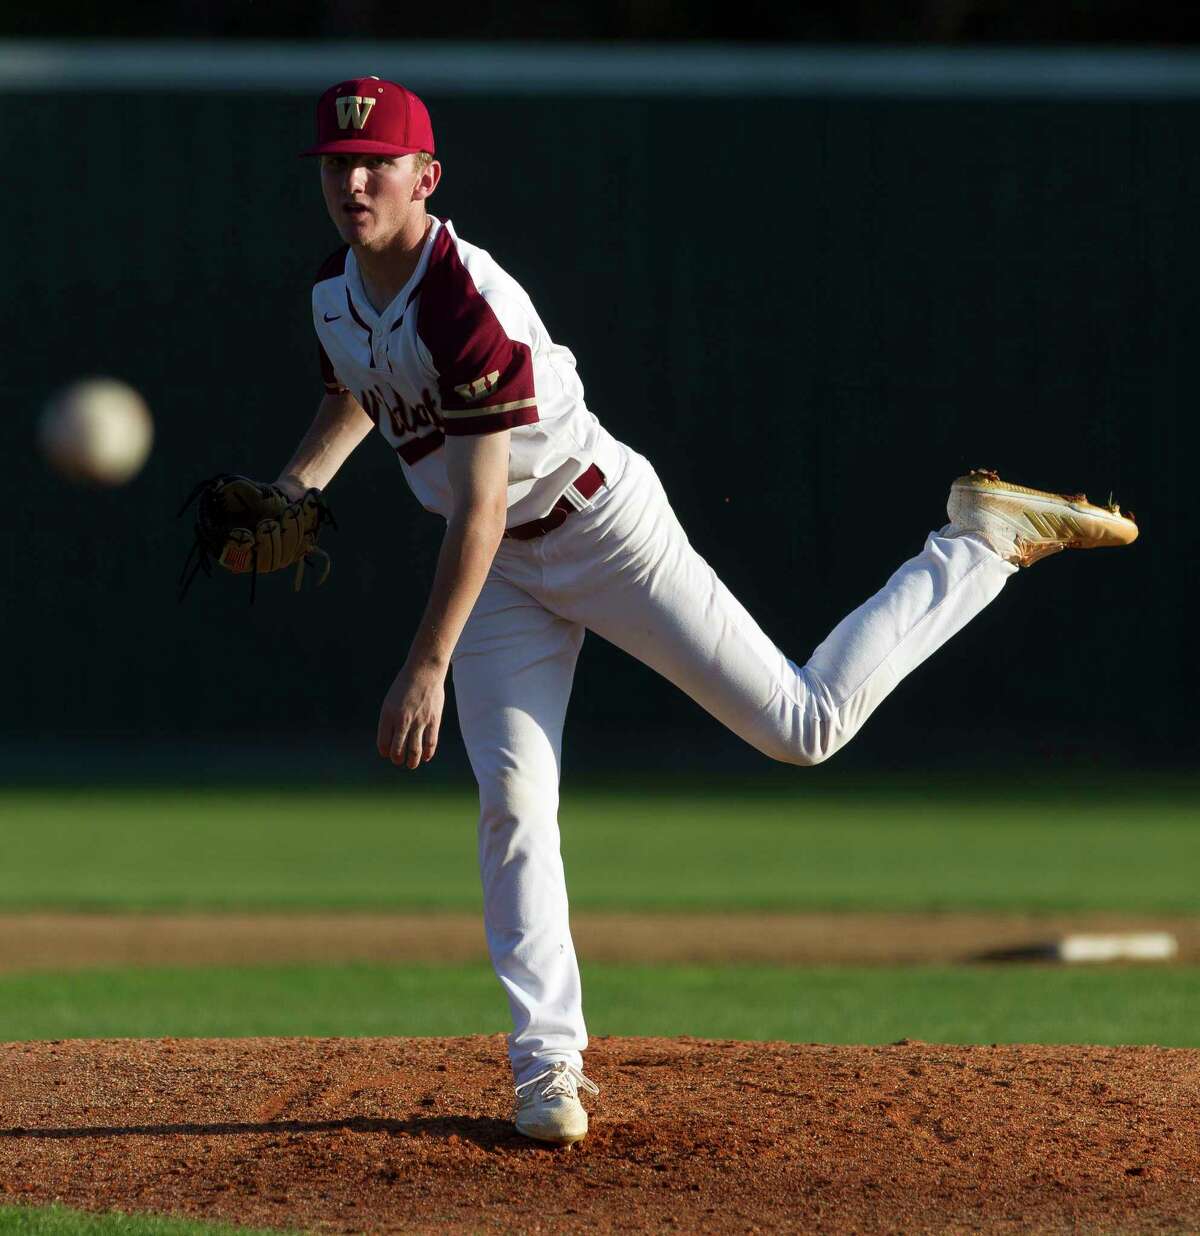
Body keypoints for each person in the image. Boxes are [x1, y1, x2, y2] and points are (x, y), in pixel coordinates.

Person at [274, 77, 1137, 1146]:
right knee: (513, 803)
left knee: (803, 728)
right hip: (496, 569)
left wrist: (426, 661)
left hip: (595, 530)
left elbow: (483, 506)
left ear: (425, 177)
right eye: (336, 163)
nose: (353, 181)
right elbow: (356, 385)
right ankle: (547, 1069)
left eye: (378, 164)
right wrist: (295, 488)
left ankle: (976, 543)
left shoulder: (468, 300)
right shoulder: (334, 289)